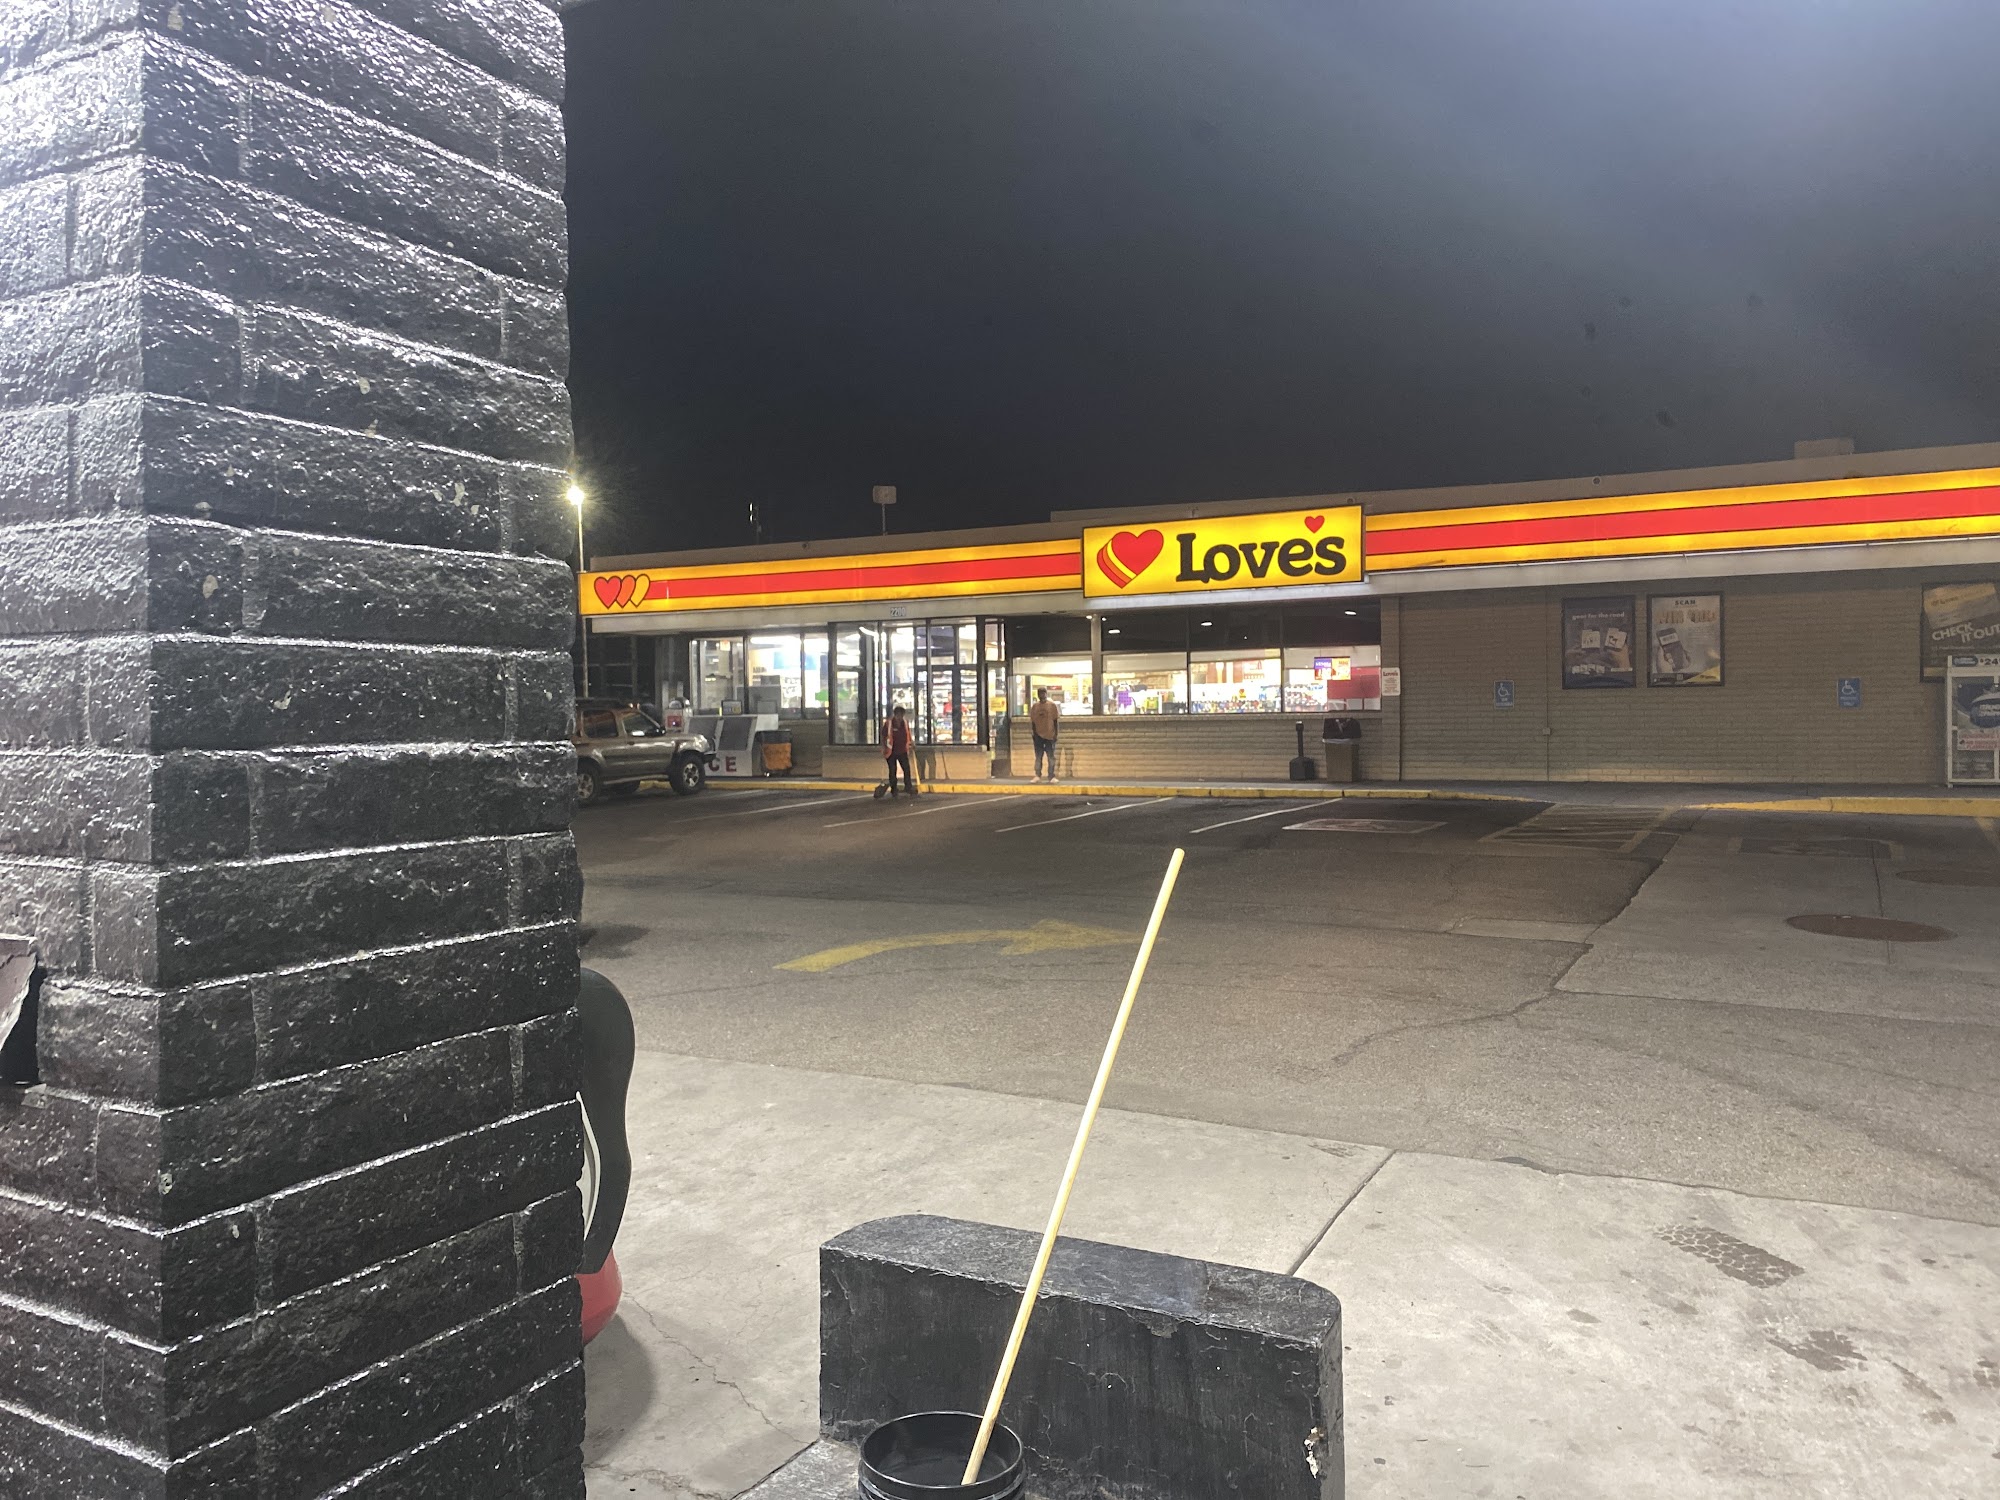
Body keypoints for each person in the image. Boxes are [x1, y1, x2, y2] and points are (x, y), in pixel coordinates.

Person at [881, 702, 918, 797]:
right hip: (891, 751)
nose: (900, 717)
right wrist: (883, 747)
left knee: (906, 769)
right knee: (893, 770)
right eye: (898, 715)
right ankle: (894, 789)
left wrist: (911, 742)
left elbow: (908, 733)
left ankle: (908, 787)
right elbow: (883, 735)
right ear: (895, 714)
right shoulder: (889, 723)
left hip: (902, 751)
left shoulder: (904, 723)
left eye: (901, 715)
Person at [1029, 686, 1060, 782]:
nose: (1041, 695)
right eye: (1040, 693)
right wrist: (1034, 734)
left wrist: (1056, 734)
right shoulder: (1035, 707)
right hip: (1038, 735)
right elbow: (1033, 722)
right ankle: (1037, 775)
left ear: (1046, 694)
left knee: (1051, 757)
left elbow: (1055, 721)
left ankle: (1051, 776)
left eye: (1043, 693)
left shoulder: (1052, 706)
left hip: (1050, 735)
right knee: (1038, 757)